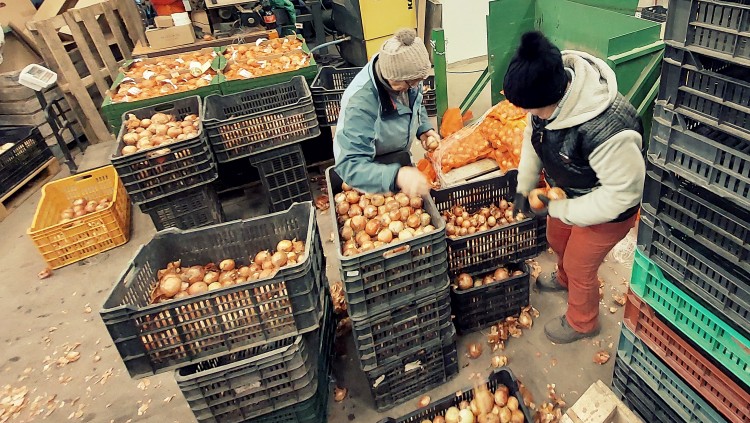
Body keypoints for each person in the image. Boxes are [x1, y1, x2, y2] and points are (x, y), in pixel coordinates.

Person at [504, 31, 645, 344]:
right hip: (569, 193)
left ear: (554, 97)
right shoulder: (546, 101)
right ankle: (564, 277)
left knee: (581, 265)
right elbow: (533, 141)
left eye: (534, 110)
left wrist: (561, 208)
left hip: (609, 211)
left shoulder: (609, 128)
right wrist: (524, 185)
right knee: (557, 237)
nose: (531, 117)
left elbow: (623, 194)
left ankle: (583, 322)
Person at [333, 28, 439, 196]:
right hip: (371, 173)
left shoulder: (408, 74)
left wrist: (423, 127)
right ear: (393, 78)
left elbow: (416, 100)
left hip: (396, 158)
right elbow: (349, 165)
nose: (416, 85)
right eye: (412, 82)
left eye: (419, 81)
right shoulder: (361, 104)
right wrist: (396, 176)